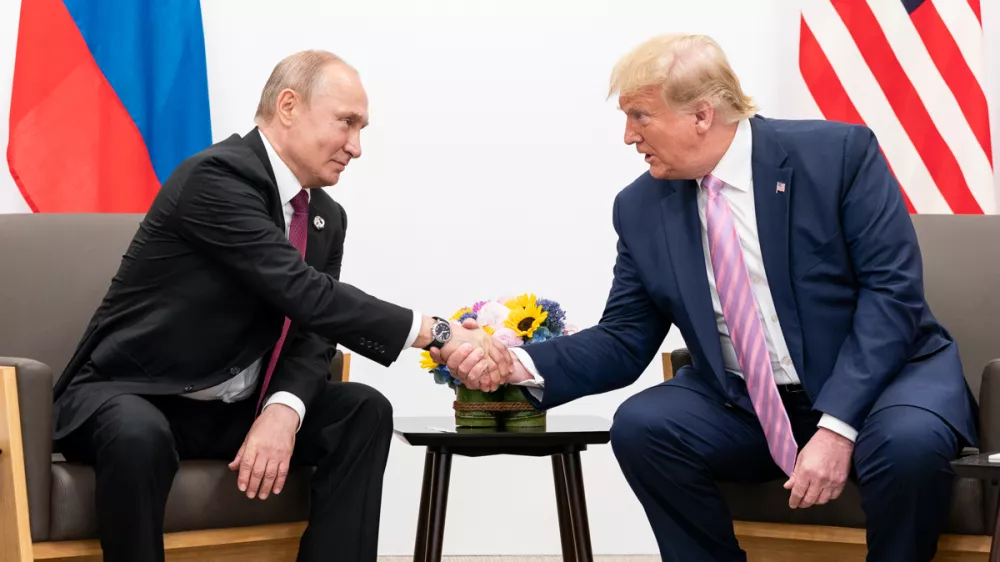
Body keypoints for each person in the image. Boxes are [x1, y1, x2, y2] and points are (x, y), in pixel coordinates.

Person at [439, 34, 977, 562]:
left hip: (883, 383)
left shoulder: (837, 155)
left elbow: (892, 294)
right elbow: (625, 337)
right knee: (644, 426)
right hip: (748, 404)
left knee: (908, 446)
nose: (628, 136)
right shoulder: (640, 208)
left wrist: (837, 427)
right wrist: (518, 363)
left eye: (640, 116)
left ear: (701, 115)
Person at [52, 50, 511, 562]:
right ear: (288, 106)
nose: (356, 147)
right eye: (347, 123)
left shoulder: (325, 217)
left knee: (362, 411)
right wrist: (439, 333)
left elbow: (313, 330)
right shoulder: (215, 179)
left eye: (362, 128)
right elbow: (304, 292)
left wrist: (283, 409)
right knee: (140, 435)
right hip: (136, 394)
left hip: (232, 409)